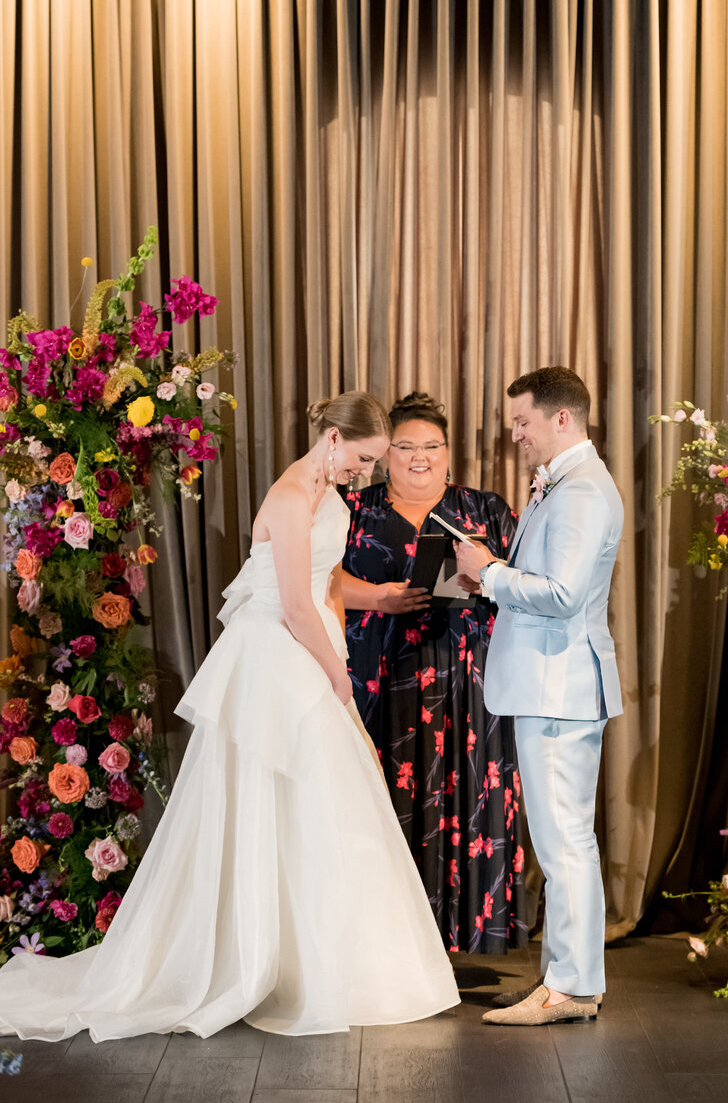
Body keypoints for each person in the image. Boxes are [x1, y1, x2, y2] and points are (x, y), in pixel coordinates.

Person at [0, 391, 460, 1041]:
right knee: (289, 797)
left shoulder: (328, 492)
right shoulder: (294, 495)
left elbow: (325, 580)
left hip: (301, 647)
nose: (365, 472)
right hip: (281, 655)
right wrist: (339, 677)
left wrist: (375, 598)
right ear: (332, 437)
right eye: (363, 458)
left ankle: (321, 962)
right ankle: (265, 957)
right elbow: (297, 605)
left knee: (322, 804)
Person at [455, 367, 623, 1026]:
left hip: (560, 687)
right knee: (564, 841)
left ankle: (571, 988)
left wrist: (490, 573)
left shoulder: (581, 491)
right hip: (556, 685)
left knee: (564, 844)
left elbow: (561, 596)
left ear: (562, 418)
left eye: (522, 421)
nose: (515, 434)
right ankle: (570, 981)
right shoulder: (567, 482)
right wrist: (492, 576)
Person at [340, 392, 528, 954]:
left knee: (472, 797)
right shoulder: (353, 507)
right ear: (384, 452)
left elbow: (526, 583)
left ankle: (466, 937)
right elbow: (312, 580)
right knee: (381, 802)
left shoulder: (485, 509)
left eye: (432, 446)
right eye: (405, 446)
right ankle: (387, 946)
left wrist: (487, 577)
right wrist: (380, 597)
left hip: (471, 682)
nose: (419, 457)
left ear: (448, 451)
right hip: (380, 677)